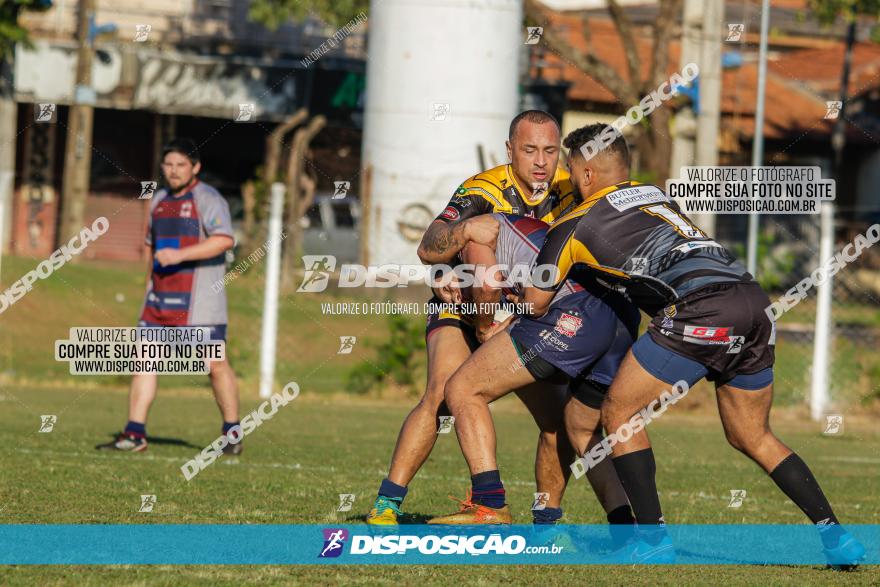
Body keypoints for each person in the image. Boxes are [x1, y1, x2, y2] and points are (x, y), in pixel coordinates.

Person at [520, 123, 865, 567]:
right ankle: (836, 538)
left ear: (586, 174)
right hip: (754, 301)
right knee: (752, 435)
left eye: (569, 169)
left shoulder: (575, 221)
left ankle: (654, 539)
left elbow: (535, 300)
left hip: (701, 310)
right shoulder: (654, 195)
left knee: (620, 414)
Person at [366, 110, 583, 526]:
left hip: (523, 314)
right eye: (529, 150)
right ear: (509, 150)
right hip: (465, 305)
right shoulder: (482, 188)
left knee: (558, 421)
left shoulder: (571, 190)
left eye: (550, 150)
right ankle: (387, 505)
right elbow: (429, 246)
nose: (541, 161)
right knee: (442, 394)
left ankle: (546, 519)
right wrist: (462, 237)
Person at [429, 213, 638, 541]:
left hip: (576, 313)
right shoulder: (527, 237)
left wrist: (483, 327)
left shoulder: (473, 237)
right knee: (573, 425)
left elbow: (487, 284)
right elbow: (532, 298)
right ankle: (618, 530)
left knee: (462, 388)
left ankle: (489, 504)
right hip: (620, 317)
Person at [96, 138, 241, 454]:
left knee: (215, 365)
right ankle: (134, 434)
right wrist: (149, 286)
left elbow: (224, 240)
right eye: (169, 165)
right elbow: (150, 244)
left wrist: (179, 255)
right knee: (144, 361)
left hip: (200, 303)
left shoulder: (208, 198)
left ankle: (232, 434)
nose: (174, 171)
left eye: (181, 165)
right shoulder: (159, 198)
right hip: (160, 301)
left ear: (195, 167)